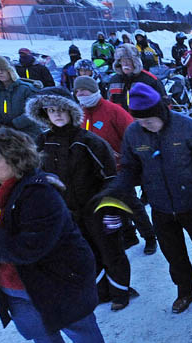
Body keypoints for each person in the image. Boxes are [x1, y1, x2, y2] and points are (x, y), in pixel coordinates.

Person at [0, 127, 106, 343]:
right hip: (13, 288)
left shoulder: (40, 193)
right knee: (42, 337)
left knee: (82, 333)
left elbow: (28, 247)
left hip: (58, 284)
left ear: (16, 160)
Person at [104, 83, 192, 313]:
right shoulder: (134, 133)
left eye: (148, 120)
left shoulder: (188, 128)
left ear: (160, 112)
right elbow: (129, 168)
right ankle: (185, 291)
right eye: (139, 120)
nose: (144, 125)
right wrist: (116, 190)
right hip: (161, 207)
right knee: (174, 255)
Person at [27, 88, 136, 311]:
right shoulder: (42, 142)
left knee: (111, 252)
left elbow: (111, 177)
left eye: (60, 109)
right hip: (66, 211)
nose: (57, 114)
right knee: (85, 254)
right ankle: (101, 291)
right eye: (51, 110)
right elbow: (34, 174)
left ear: (71, 110)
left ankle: (120, 292)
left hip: (96, 208)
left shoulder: (89, 141)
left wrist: (108, 207)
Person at [74, 76, 157, 255]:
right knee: (112, 204)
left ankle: (149, 236)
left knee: (131, 203)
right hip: (96, 170)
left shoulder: (113, 110)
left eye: (84, 90)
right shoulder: (80, 114)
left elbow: (132, 134)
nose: (81, 95)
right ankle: (129, 235)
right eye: (77, 92)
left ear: (93, 90)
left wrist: (126, 156)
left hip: (119, 168)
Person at [0, 55, 42, 138]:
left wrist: (14, 124)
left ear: (11, 71)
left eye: (3, 69)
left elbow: (34, 111)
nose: (0, 72)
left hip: (28, 134)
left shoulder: (26, 89)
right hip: (5, 135)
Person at [107, 44, 166, 111]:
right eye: (123, 60)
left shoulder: (150, 80)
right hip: (120, 116)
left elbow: (164, 104)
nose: (125, 64)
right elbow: (109, 104)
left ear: (135, 62)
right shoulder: (114, 81)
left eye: (129, 60)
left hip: (143, 116)